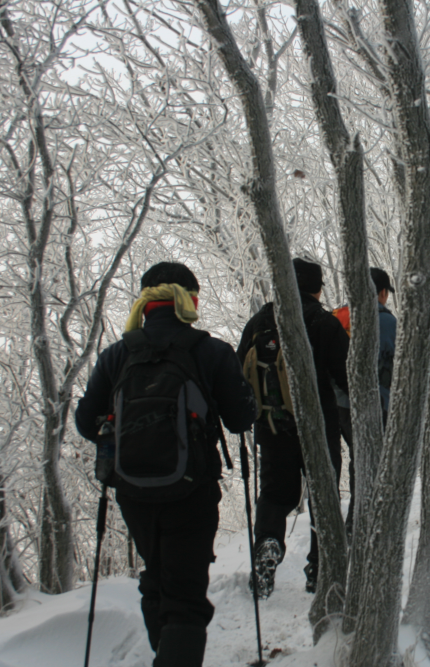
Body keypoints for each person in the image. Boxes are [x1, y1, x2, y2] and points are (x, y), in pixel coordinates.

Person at [75, 262, 255, 667]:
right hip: (192, 492)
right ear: (189, 300)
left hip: (134, 493)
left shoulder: (118, 354)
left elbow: (86, 423)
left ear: (146, 300)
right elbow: (241, 418)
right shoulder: (210, 351)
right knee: (185, 597)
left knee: (156, 580)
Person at [236, 257, 349, 597]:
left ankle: (267, 544)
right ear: (316, 288)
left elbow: (241, 372)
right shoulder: (324, 322)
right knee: (323, 493)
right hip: (319, 426)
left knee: (274, 493)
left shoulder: (259, 322)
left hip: (272, 427)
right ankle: (320, 568)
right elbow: (347, 376)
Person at [331, 267, 398, 534]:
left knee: (358, 459)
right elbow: (397, 364)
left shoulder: (339, 317)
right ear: (381, 293)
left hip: (340, 405)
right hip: (374, 404)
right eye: (386, 293)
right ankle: (363, 524)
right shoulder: (387, 322)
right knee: (373, 461)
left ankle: (355, 522)